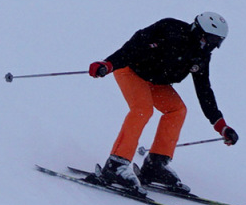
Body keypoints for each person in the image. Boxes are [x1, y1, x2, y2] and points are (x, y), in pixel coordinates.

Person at [87, 13, 238, 193]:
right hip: (131, 71)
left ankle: (155, 165)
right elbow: (134, 46)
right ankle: (115, 165)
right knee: (142, 110)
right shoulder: (170, 29)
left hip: (156, 82)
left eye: (218, 42)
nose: (213, 45)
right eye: (211, 39)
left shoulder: (201, 55)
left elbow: (204, 90)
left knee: (177, 110)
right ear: (199, 32)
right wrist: (108, 64)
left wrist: (221, 125)